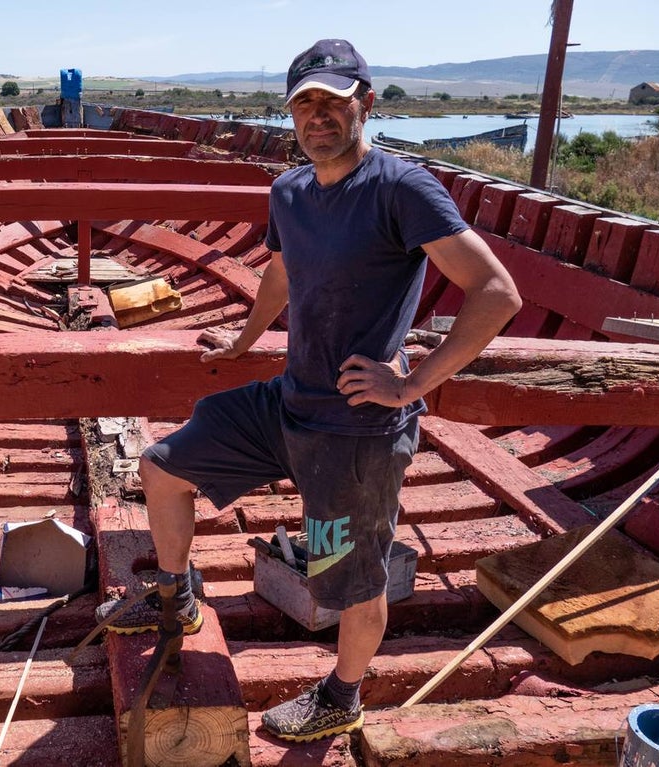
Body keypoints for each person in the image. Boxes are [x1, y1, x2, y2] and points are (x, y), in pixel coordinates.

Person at [95, 38, 522, 742]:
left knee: (350, 582)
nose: (317, 116)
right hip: (289, 402)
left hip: (357, 430)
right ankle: (175, 597)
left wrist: (412, 380)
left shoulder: (400, 188)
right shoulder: (289, 191)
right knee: (162, 466)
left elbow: (497, 291)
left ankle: (341, 694)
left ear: (366, 102)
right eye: (304, 104)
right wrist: (241, 339)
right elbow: (283, 276)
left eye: (332, 100)